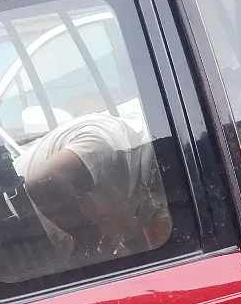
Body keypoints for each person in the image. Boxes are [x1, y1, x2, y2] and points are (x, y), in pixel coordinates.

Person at [20, 112, 171, 264]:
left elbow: (137, 226)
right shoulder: (105, 143)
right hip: (17, 226)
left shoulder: (150, 169)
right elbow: (43, 183)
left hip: (54, 231)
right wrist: (98, 243)